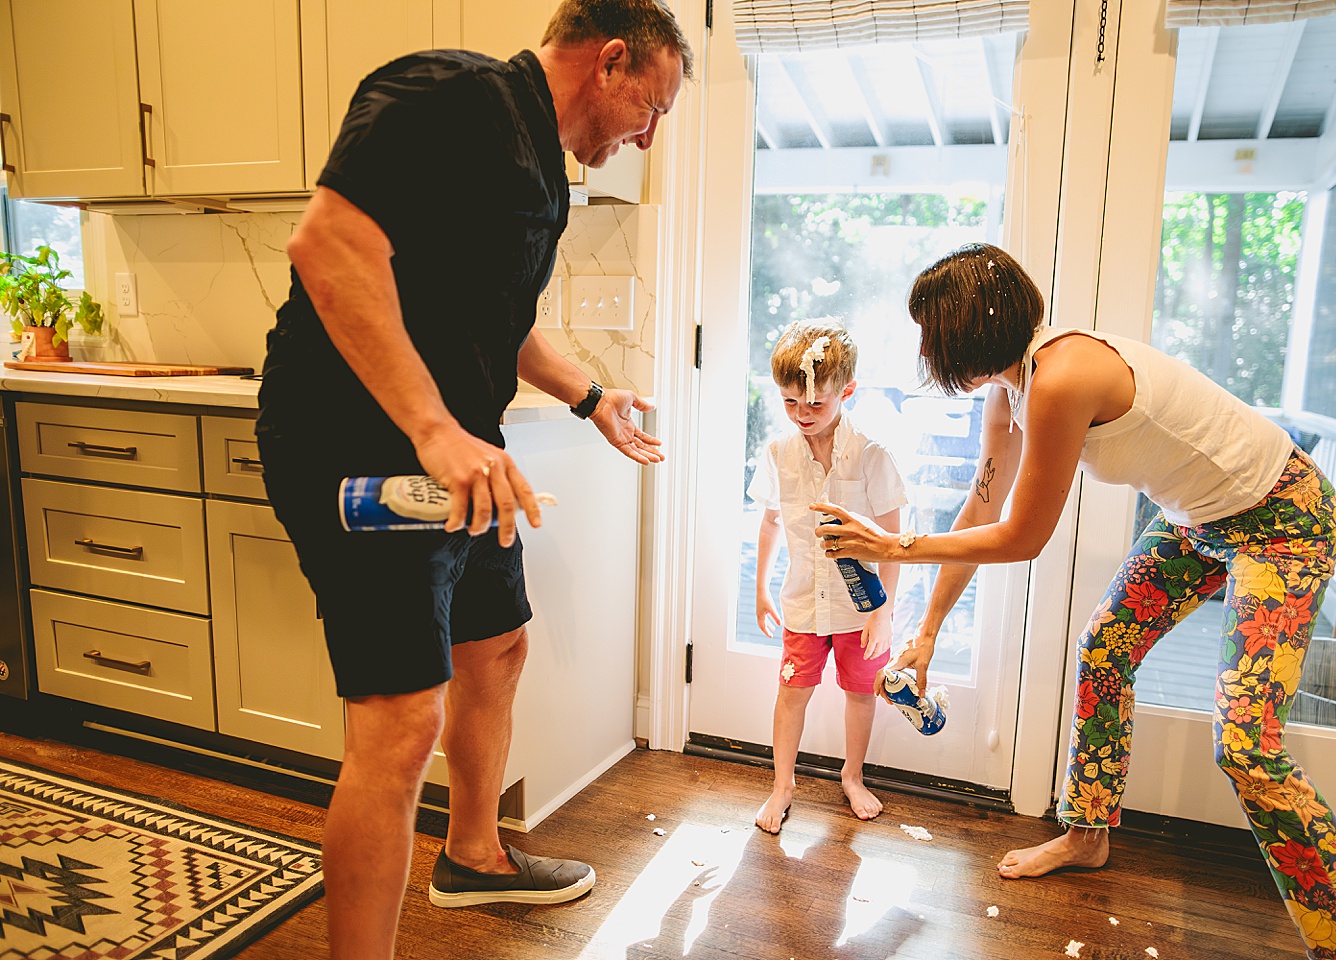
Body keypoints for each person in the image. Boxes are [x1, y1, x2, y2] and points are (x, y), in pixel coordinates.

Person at [253, 3, 693, 957]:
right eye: (649, 108)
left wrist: (592, 397)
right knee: (402, 719)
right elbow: (327, 245)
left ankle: (474, 856)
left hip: (461, 453)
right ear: (610, 60)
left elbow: (503, 316)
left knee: (497, 648)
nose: (647, 134)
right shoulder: (451, 95)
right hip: (357, 448)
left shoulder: (542, 165)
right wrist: (433, 429)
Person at [815, 243, 1336, 960]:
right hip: (1202, 518)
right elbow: (983, 505)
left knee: (1246, 743)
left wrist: (893, 549)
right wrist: (929, 630)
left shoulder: (1062, 378)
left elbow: (1023, 537)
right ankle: (1086, 837)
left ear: (966, 329)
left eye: (930, 334)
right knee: (1106, 650)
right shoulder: (1012, 386)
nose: (926, 350)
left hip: (1283, 515)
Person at [747, 319, 908, 834]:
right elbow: (771, 521)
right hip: (802, 602)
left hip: (861, 609)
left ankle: (853, 775)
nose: (802, 415)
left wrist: (883, 615)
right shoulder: (778, 454)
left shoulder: (871, 454)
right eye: (790, 403)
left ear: (847, 391)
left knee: (861, 693)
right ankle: (783, 785)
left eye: (815, 404)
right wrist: (761, 588)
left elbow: (893, 542)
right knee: (791, 691)